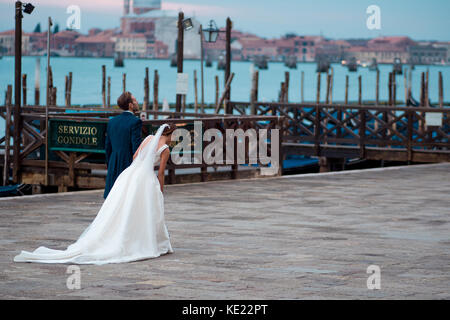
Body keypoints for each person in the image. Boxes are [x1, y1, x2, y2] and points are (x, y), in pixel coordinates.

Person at [13, 123, 177, 265]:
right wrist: (160, 189)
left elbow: (135, 156)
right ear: (169, 134)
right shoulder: (165, 149)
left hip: (129, 175)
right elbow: (161, 173)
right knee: (146, 210)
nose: (174, 139)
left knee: (123, 208)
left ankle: (132, 238)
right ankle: (148, 242)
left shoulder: (148, 138)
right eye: (174, 136)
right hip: (145, 179)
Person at [104, 92, 142, 199]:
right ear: (130, 105)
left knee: (113, 196)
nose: (137, 102)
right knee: (127, 196)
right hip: (127, 162)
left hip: (113, 161)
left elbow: (107, 146)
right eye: (134, 100)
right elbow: (136, 148)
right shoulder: (135, 122)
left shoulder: (112, 122)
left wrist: (109, 162)